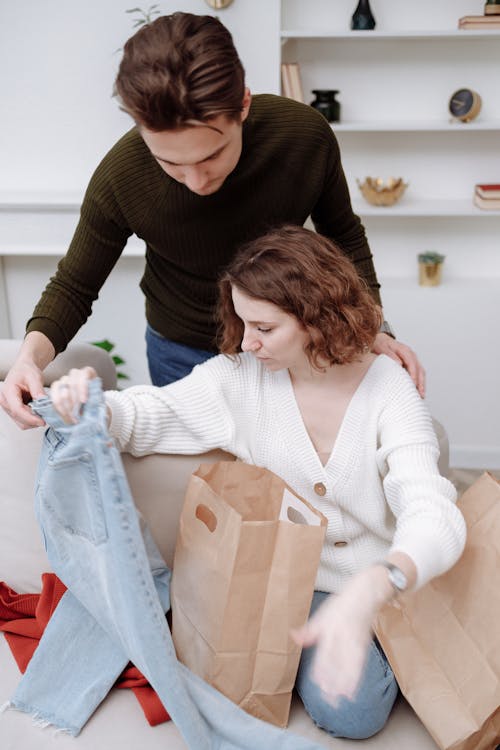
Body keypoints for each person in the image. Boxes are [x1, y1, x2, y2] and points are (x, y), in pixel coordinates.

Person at [48, 225, 465, 740]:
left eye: (265, 327)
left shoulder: (388, 389)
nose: (248, 341)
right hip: (292, 580)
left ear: (317, 317)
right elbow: (148, 415)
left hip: (389, 581)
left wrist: (374, 589)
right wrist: (84, 404)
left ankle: (387, 640)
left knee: (354, 713)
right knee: (333, 704)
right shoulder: (241, 378)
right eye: (243, 322)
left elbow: (434, 511)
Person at [0, 11, 424, 431]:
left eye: (211, 156)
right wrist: (27, 359)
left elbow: (344, 236)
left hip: (292, 345)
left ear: (242, 105)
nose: (196, 180)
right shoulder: (120, 176)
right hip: (181, 351)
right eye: (170, 162)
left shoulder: (304, 138)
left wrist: (375, 330)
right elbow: (75, 285)